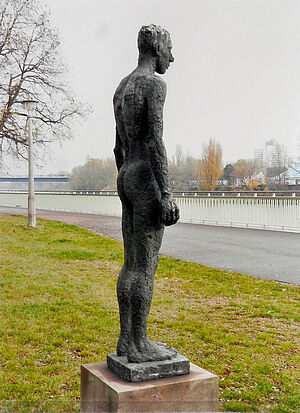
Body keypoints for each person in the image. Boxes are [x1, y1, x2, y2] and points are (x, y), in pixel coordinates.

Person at [113, 24, 179, 363]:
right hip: (145, 177)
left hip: (127, 174)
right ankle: (139, 344)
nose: (173, 57)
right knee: (144, 267)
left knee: (130, 264)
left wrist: (126, 180)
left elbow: (117, 147)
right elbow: (155, 139)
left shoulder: (123, 87)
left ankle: (127, 340)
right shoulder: (154, 85)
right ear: (157, 49)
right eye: (170, 49)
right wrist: (165, 193)